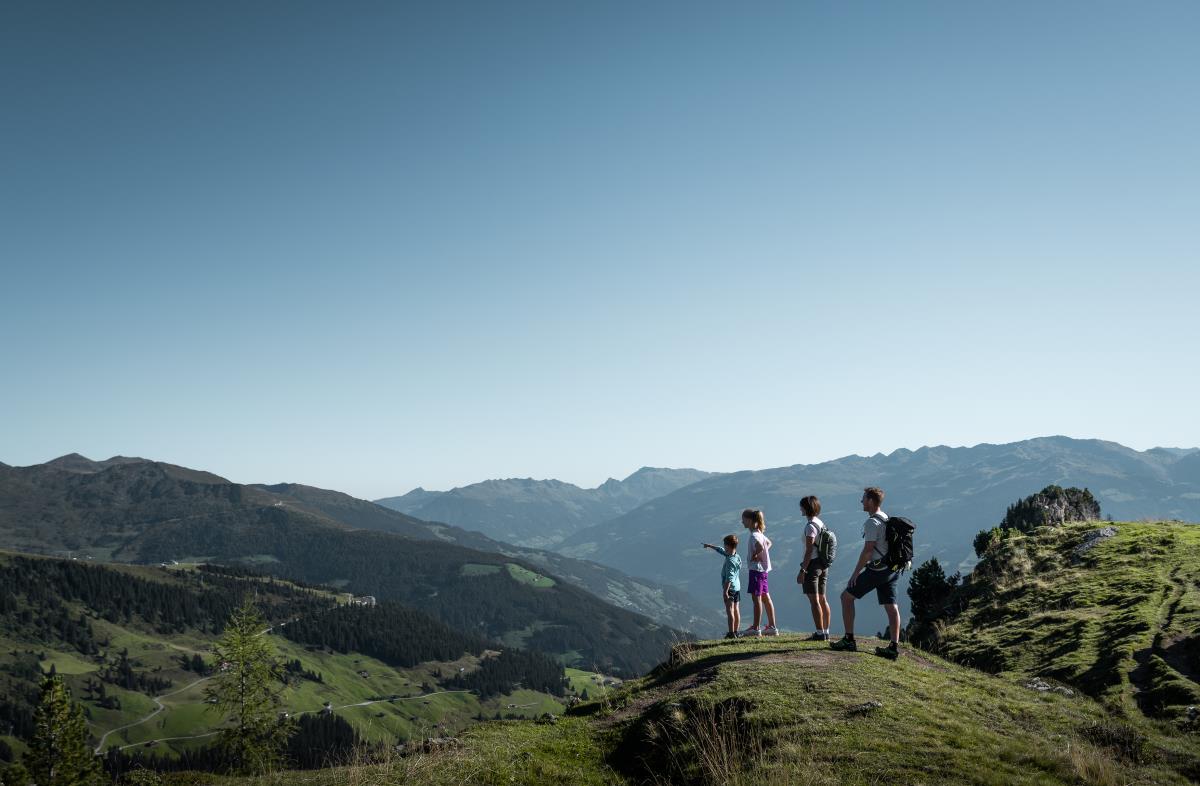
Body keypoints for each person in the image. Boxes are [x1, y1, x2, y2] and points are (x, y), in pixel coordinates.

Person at [830, 487, 902, 659]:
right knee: (891, 606)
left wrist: (855, 573)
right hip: (891, 569)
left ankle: (849, 640)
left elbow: (868, 550)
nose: (861, 501)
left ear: (870, 501)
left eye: (863, 498)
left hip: (877, 570)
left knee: (846, 597)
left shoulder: (872, 523)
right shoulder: (885, 517)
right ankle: (893, 647)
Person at [795, 495, 831, 641]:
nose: (800, 509)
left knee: (814, 600)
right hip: (823, 564)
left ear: (806, 508)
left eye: (801, 506)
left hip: (813, 565)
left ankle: (819, 633)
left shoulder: (810, 526)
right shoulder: (820, 523)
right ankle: (826, 631)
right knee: (823, 599)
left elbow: (809, 550)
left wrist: (803, 570)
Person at [739, 509, 778, 637]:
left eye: (744, 520)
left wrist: (755, 555)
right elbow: (768, 543)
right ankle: (772, 627)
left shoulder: (754, 535)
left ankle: (756, 628)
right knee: (766, 598)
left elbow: (761, 546)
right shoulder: (760, 533)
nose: (742, 522)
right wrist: (763, 553)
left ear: (750, 520)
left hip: (756, 570)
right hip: (764, 571)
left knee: (757, 600)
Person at [701, 534, 742, 639]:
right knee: (736, 610)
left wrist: (725, 591)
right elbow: (721, 550)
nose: (724, 546)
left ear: (728, 546)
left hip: (730, 589)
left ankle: (731, 633)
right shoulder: (736, 556)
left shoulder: (729, 561)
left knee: (730, 610)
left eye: (724, 544)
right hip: (737, 587)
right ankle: (736, 632)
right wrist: (710, 546)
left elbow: (729, 578)